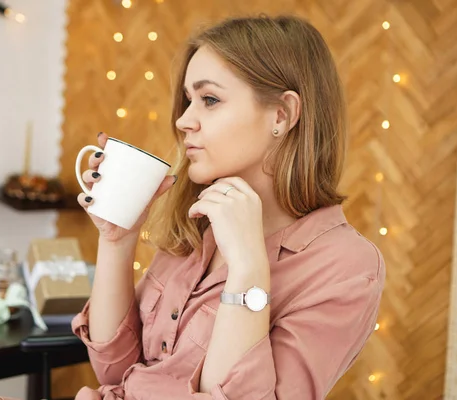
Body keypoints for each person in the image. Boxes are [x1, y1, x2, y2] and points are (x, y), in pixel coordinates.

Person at [72, 15, 385, 400]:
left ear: (282, 114)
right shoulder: (197, 223)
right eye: (188, 101)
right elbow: (116, 371)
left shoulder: (346, 268)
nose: (184, 120)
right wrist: (118, 240)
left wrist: (249, 268)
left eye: (210, 100)